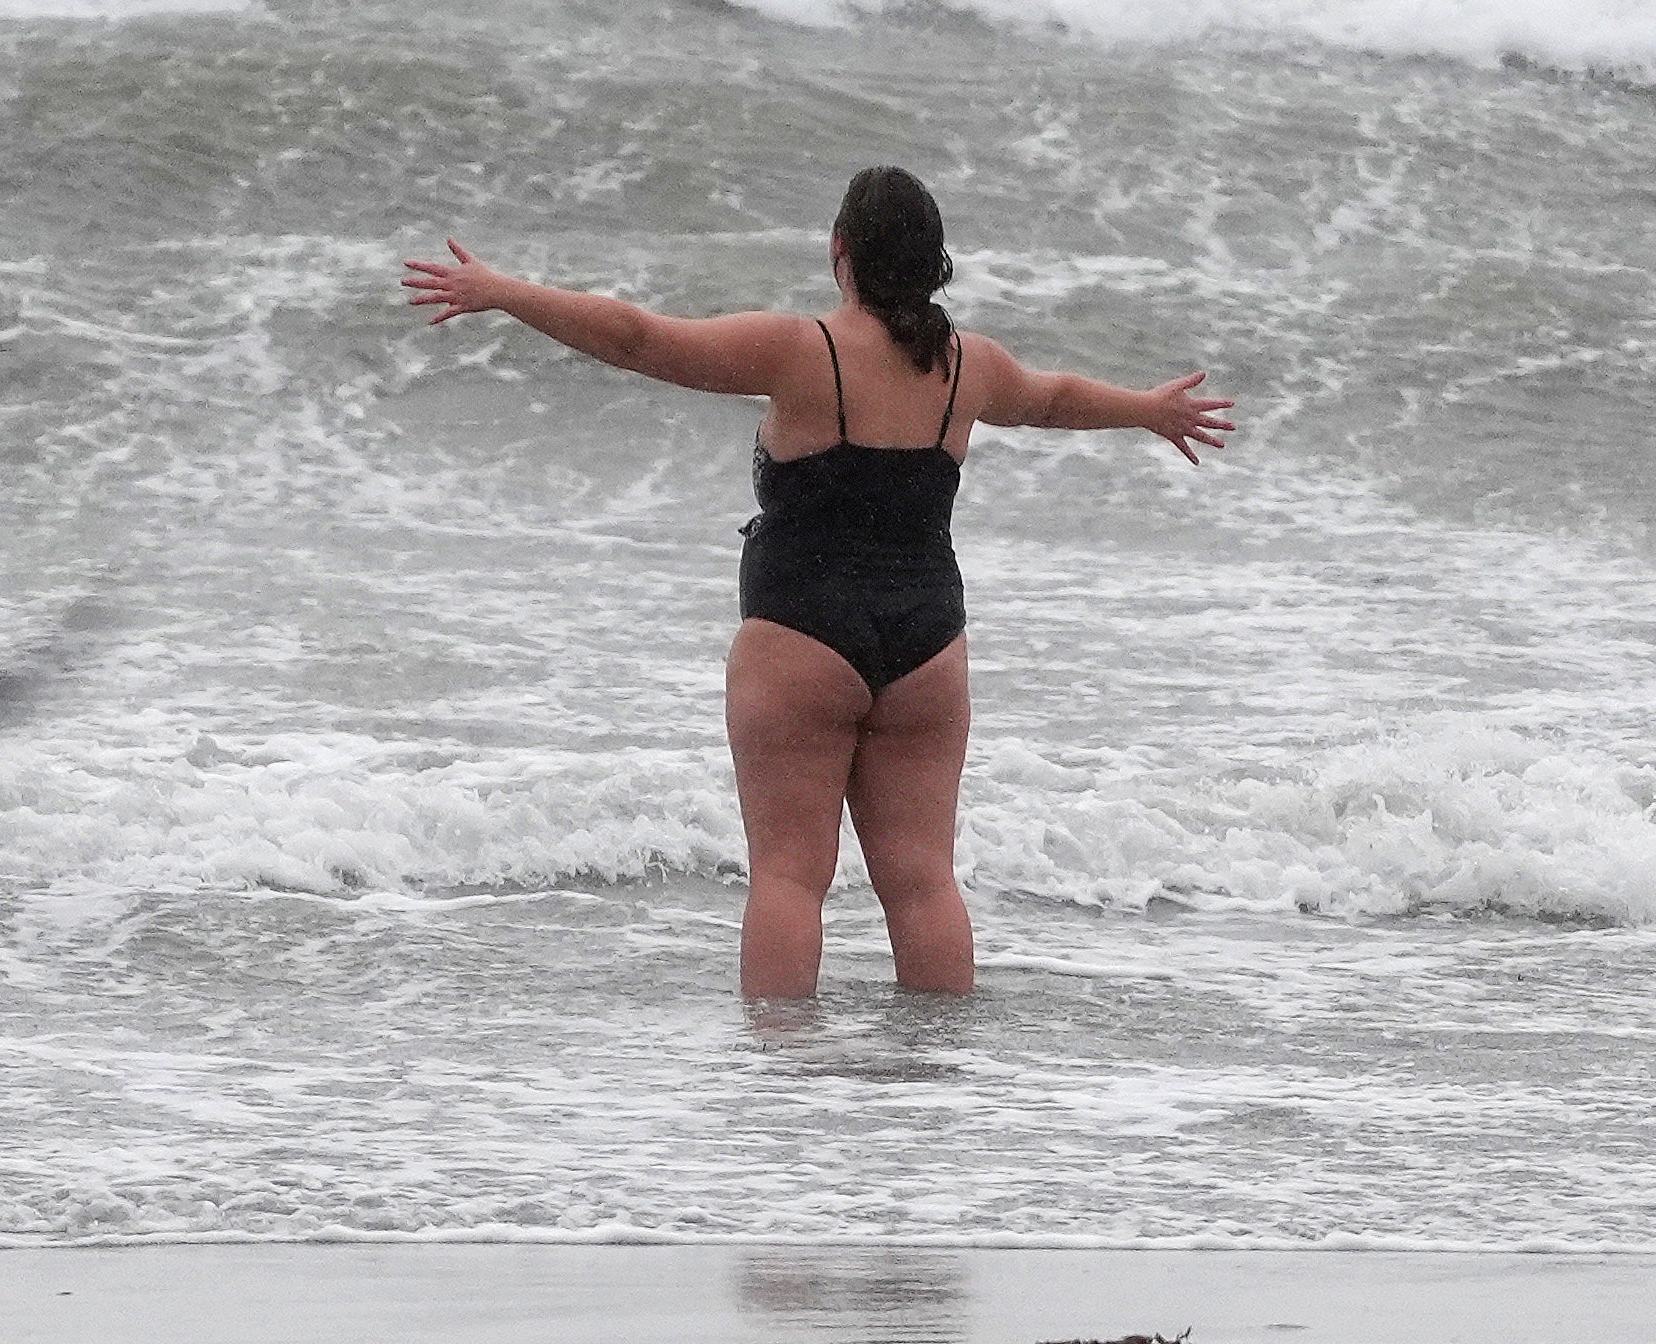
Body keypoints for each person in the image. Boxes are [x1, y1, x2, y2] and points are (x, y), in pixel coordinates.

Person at [401, 166, 1229, 999]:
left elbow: (637, 339)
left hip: (801, 637)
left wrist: (503, 290)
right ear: (932, 262)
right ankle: (943, 1088)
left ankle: (782, 1094)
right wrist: (1149, 410)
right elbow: (1052, 401)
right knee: (924, 883)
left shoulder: (802, 352)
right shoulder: (967, 365)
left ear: (842, 253)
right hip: (928, 648)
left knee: (791, 879)